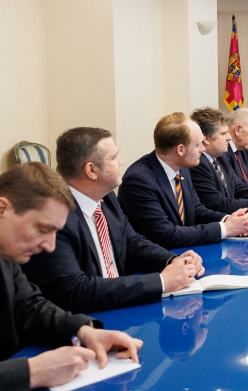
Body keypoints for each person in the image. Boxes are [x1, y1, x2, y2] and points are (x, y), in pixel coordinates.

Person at [22, 128, 205, 314]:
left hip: (121, 306)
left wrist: (172, 261)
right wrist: (162, 281)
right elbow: (75, 290)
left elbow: (132, 243)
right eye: (114, 157)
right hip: (87, 318)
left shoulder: (106, 197)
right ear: (91, 170)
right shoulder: (54, 217)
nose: (121, 162)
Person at [0, 163, 142, 391]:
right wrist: (32, 371)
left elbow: (30, 308)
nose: (50, 246)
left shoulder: (7, 252)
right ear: (2, 209)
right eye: (43, 229)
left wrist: (84, 332)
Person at [118, 112, 248, 250]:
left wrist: (229, 220)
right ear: (180, 149)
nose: (203, 148)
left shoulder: (182, 169)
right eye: (198, 145)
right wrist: (225, 229)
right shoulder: (138, 181)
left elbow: (197, 210)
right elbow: (166, 235)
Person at [188, 108, 248, 215]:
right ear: (207, 139)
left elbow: (238, 187)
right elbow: (219, 204)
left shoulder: (220, 157)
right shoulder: (198, 164)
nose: (229, 137)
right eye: (223, 133)